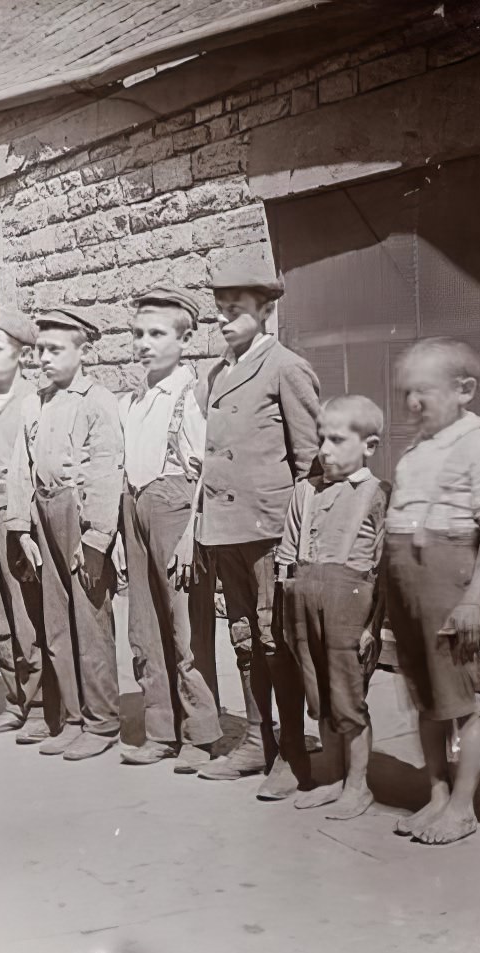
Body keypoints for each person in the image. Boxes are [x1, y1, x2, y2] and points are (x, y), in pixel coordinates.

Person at [193, 251, 320, 801]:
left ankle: (293, 753)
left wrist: (298, 537)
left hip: (271, 530)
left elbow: (310, 463)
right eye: (219, 309)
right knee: (244, 639)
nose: (224, 319)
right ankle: (255, 740)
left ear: (265, 310)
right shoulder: (218, 372)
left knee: (275, 642)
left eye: (236, 309)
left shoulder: (285, 367)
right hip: (227, 530)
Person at [383, 338, 480, 844]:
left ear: (464, 391)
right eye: (406, 392)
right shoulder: (416, 450)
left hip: (449, 581)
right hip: (407, 583)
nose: (413, 403)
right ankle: (436, 792)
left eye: (425, 391)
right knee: (425, 698)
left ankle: (462, 804)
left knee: (460, 699)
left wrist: (473, 597)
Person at [7, 309, 124, 761]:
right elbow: (21, 467)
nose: (44, 360)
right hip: (42, 514)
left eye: (56, 350)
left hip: (81, 517)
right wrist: (21, 527)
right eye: (40, 351)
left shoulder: (97, 401)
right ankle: (73, 718)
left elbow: (105, 468)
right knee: (57, 623)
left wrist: (97, 539)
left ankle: (102, 721)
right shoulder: (34, 404)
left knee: (90, 622)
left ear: (84, 352)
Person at [118, 287, 221, 769]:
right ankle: (160, 729)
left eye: (157, 334)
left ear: (184, 340)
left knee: (186, 629)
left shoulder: (190, 395)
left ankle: (200, 733)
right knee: (144, 626)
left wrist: (189, 536)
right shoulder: (135, 399)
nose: (144, 343)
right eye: (138, 333)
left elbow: (205, 473)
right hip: (134, 507)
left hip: (176, 508)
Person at [275, 395, 390, 819]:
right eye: (322, 438)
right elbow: (287, 556)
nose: (324, 450)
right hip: (304, 607)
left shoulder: (376, 494)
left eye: (337, 440)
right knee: (321, 698)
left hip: (350, 611)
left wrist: (371, 627)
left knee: (348, 699)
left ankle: (358, 786)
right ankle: (334, 778)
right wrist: (289, 615)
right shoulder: (304, 491)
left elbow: (382, 568)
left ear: (369, 446)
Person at [0, 306, 50, 740]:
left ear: (20, 354)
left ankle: (39, 706)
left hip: (15, 519)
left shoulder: (32, 401)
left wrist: (25, 526)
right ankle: (16, 699)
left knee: (25, 615)